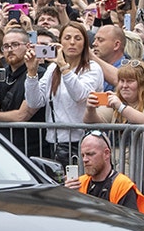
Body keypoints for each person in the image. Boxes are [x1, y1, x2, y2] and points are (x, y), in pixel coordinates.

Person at [24, 22, 103, 162]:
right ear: (60, 42)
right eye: (67, 38)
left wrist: (63, 66)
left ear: (85, 43)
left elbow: (79, 95)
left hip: (81, 141)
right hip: (53, 141)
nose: (72, 42)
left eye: (78, 38)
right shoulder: (52, 69)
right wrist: (31, 72)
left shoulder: (92, 68)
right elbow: (34, 102)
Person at [0, 26, 46, 155]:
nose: (10, 50)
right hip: (6, 145)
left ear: (28, 46)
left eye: (15, 45)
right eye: (6, 46)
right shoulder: (3, 72)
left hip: (32, 147)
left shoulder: (38, 73)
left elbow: (22, 115)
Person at [65, 130, 144, 213]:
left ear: (106, 154)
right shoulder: (78, 183)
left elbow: (130, 224)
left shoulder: (122, 186)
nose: (85, 159)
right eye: (83, 155)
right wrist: (66, 197)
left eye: (90, 154)